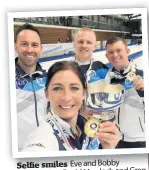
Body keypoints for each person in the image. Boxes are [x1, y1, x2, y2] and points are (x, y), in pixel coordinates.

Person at [23, 61, 120, 151]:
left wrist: (107, 149)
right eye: (57, 88)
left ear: (84, 93)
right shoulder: (41, 140)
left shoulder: (90, 130)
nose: (66, 98)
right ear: (47, 94)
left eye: (74, 88)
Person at [105, 36, 145, 148]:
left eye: (119, 50)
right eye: (111, 52)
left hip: (138, 139)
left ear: (127, 51)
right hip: (113, 138)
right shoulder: (105, 80)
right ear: (107, 56)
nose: (115, 55)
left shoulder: (144, 75)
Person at [15, 23, 47, 151]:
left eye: (34, 45)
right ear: (15, 46)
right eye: (24, 44)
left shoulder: (47, 79)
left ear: (41, 48)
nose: (29, 50)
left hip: (46, 148)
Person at [73, 27, 110, 120]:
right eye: (80, 42)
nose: (84, 45)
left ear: (95, 46)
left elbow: (110, 101)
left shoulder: (103, 70)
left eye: (89, 42)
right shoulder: (65, 70)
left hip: (97, 125)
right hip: (72, 125)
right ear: (74, 44)